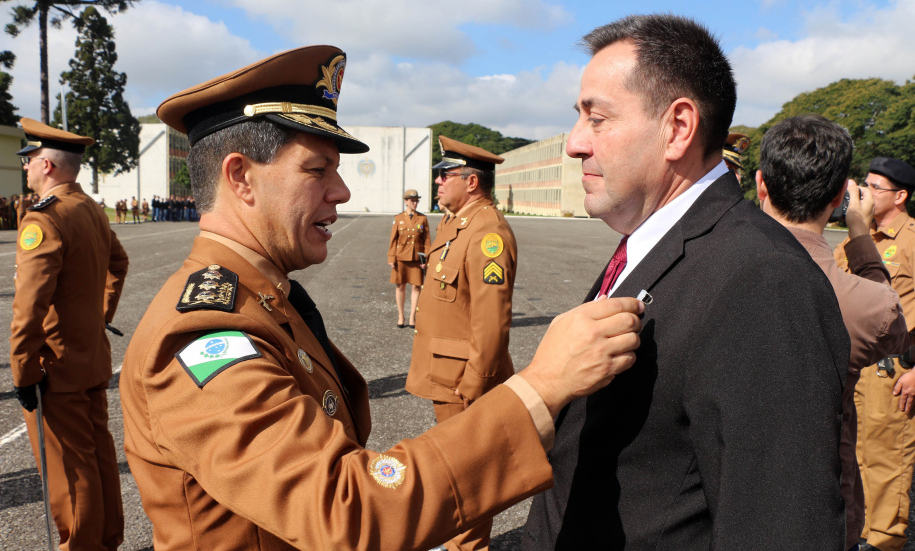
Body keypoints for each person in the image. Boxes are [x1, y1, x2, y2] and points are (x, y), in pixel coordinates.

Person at [119, 44, 644, 551]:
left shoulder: (263, 297)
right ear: (241, 178)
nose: (341, 191)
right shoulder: (205, 334)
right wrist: (542, 386)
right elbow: (346, 509)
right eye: (317, 169)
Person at [522, 14, 850, 550]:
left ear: (677, 127)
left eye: (597, 118)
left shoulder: (762, 278)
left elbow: (781, 525)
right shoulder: (654, 240)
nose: (575, 143)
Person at [756, 114, 909, 551]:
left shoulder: (709, 266)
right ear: (843, 194)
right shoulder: (864, 297)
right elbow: (887, 318)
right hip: (814, 492)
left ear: (761, 184)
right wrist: (860, 233)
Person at [10, 118, 129, 550]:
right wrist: (98, 317)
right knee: (98, 459)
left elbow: (29, 307)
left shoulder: (45, 218)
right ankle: (106, 540)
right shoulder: (89, 209)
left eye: (29, 161)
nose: (25, 169)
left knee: (70, 474)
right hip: (90, 357)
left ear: (47, 164)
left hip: (55, 367)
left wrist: (23, 372)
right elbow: (119, 263)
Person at [406, 137, 515, 551]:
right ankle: (458, 541)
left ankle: (468, 547)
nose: (436, 182)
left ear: (471, 182)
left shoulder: (489, 234)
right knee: (454, 467)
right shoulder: (456, 223)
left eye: (443, 175)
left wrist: (476, 383)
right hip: (447, 374)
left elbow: (491, 321)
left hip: (464, 380)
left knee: (468, 472)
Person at [835, 156, 915, 551]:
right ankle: (861, 536)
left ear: (900, 196)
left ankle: (885, 541)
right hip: (858, 370)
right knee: (855, 458)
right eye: (862, 185)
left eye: (874, 188)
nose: (863, 193)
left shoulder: (913, 240)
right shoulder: (856, 239)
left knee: (887, 462)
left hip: (897, 372)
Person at [388, 188, 430, 328]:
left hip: (417, 258)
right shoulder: (398, 219)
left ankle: (412, 316)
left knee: (416, 288)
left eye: (416, 201)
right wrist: (391, 258)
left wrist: (427, 259)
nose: (415, 203)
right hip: (401, 257)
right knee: (400, 287)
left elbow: (427, 241)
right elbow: (393, 240)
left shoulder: (422, 218)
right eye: (412, 201)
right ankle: (401, 316)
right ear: (405, 201)